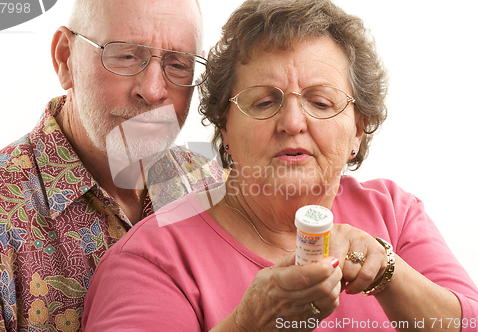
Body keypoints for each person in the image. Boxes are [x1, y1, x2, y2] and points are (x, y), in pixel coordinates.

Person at [82, 0, 478, 331]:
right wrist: (248, 322)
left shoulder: (394, 213)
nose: (292, 123)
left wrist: (387, 271)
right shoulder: (151, 260)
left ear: (358, 129)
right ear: (225, 128)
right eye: (264, 102)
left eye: (320, 102)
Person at [0, 0, 226, 331]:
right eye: (125, 56)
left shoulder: (216, 189)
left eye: (178, 65)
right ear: (65, 59)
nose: (152, 91)